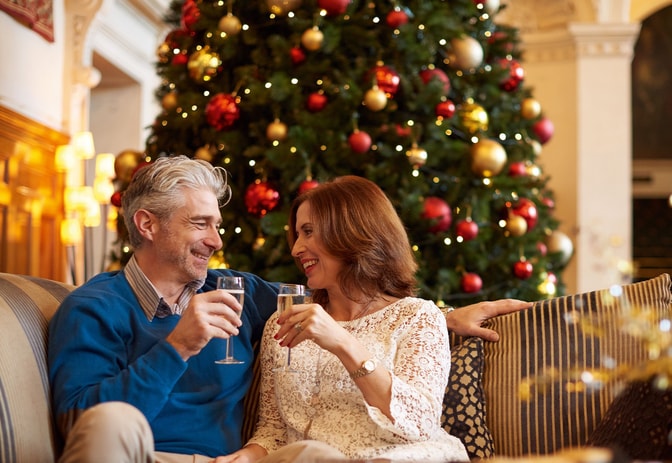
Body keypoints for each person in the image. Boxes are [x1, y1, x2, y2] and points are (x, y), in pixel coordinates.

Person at [48, 156, 529, 463]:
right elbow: (80, 426)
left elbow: (348, 303)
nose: (216, 241)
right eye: (200, 223)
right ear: (147, 224)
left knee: (316, 457)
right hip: (149, 456)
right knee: (113, 421)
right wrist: (177, 346)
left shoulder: (237, 291)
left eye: (217, 225)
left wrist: (444, 318)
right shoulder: (93, 307)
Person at [217, 176, 468, 463]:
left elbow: (420, 422)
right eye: (297, 234)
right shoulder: (283, 321)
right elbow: (274, 431)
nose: (296, 249)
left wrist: (342, 343)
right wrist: (244, 457)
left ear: (351, 233)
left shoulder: (417, 318)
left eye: (308, 232)